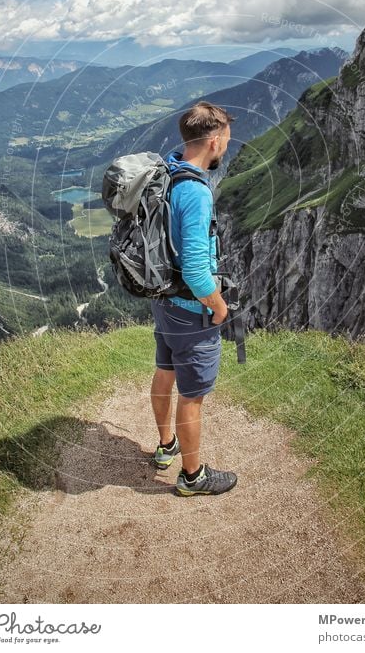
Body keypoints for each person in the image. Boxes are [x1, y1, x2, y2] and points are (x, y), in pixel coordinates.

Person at [149, 101, 238, 496]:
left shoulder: (167, 169)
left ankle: (166, 444)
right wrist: (219, 308)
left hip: (162, 298)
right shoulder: (196, 192)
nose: (226, 150)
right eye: (226, 143)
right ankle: (192, 476)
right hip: (189, 308)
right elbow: (197, 271)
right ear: (215, 141)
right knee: (193, 394)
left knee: (165, 369)